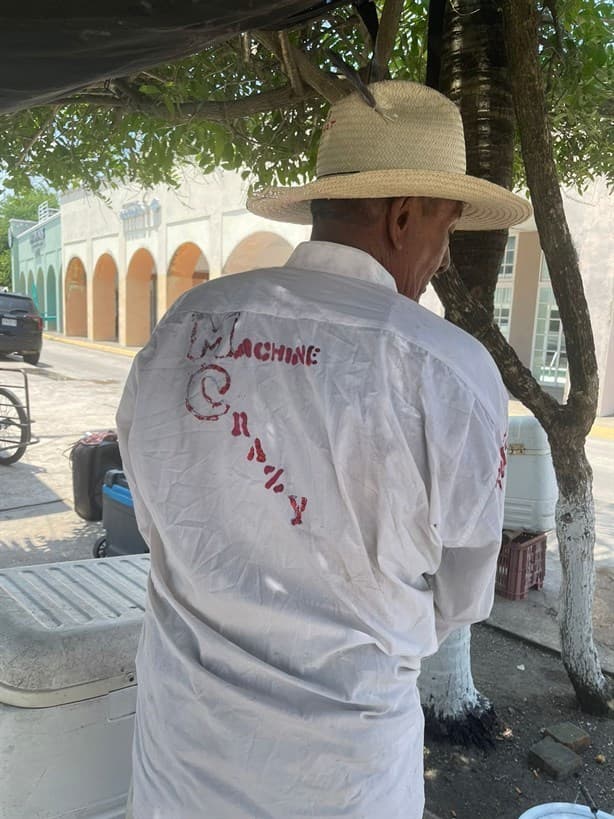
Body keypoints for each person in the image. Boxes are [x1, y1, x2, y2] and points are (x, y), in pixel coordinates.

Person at [117, 80, 531, 819]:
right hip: (340, 782)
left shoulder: (188, 325)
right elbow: (463, 594)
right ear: (405, 218)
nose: (440, 259)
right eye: (444, 231)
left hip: (179, 763)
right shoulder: (446, 368)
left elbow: (155, 511)